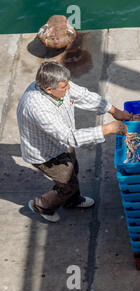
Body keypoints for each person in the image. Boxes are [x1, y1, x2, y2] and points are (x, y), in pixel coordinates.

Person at [17, 61, 131, 222]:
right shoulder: (37, 108)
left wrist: (115, 111)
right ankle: (42, 206)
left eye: (67, 84)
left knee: (73, 169)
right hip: (46, 153)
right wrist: (108, 129)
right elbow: (70, 137)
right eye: (64, 87)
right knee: (67, 184)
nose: (69, 88)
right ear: (49, 89)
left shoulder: (58, 84)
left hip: (62, 142)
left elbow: (84, 95)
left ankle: (72, 201)